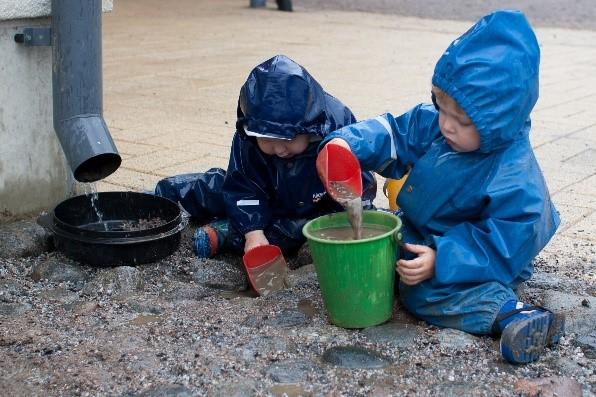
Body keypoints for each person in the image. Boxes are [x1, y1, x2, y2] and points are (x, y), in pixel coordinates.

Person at [319, 10, 564, 365]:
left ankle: (511, 313)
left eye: (462, 120)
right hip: (428, 228)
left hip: (485, 251)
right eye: (441, 105)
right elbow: (394, 133)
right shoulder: (436, 125)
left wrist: (442, 260)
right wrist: (346, 146)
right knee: (380, 257)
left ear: (499, 121)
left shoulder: (516, 178)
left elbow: (504, 242)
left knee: (420, 293)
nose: (446, 125)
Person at [155, 54, 376, 258]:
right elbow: (243, 186)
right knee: (222, 189)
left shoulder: (336, 127)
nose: (279, 149)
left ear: (308, 128)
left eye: (288, 140)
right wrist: (253, 231)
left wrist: (358, 211)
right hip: (266, 191)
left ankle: (227, 232)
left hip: (316, 201)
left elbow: (358, 178)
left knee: (304, 230)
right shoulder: (249, 137)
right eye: (267, 141)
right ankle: (164, 196)